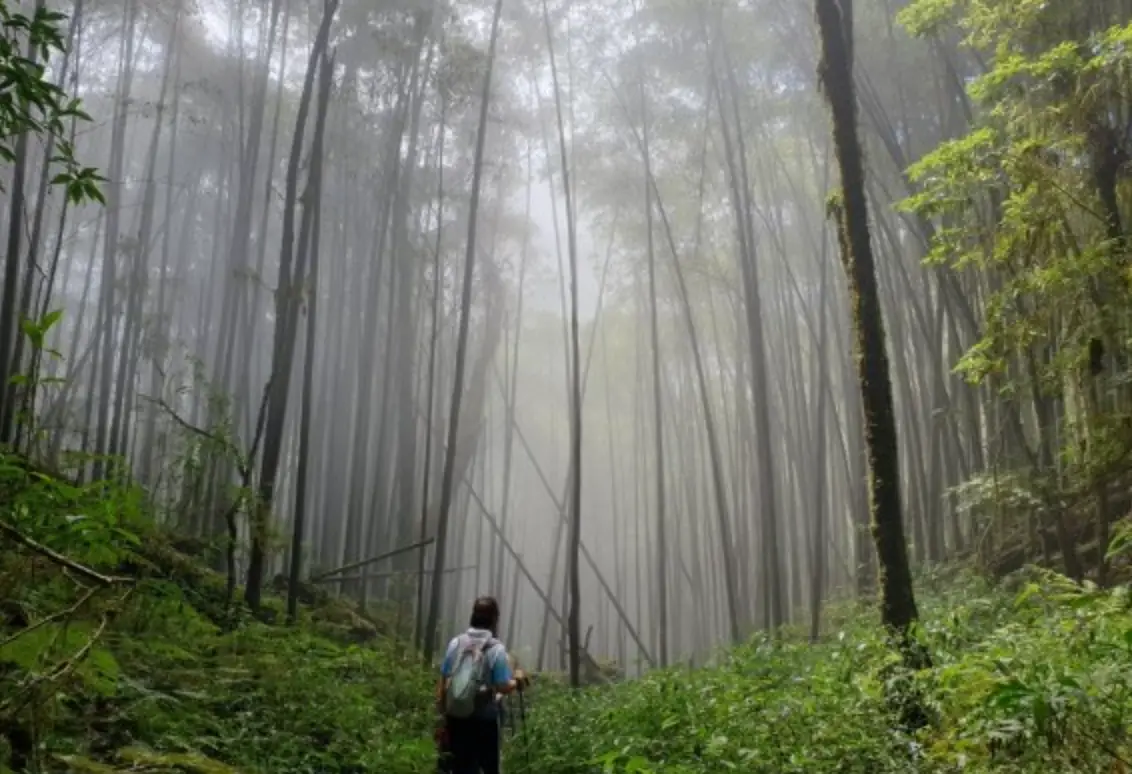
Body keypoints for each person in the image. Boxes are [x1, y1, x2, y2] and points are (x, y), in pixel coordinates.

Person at [436, 596, 527, 774]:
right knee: (488, 768)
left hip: (456, 718)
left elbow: (443, 682)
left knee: (459, 768)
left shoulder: (456, 643)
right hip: (484, 722)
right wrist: (516, 681)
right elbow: (502, 686)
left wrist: (442, 716)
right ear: (494, 619)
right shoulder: (496, 648)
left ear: (473, 616)